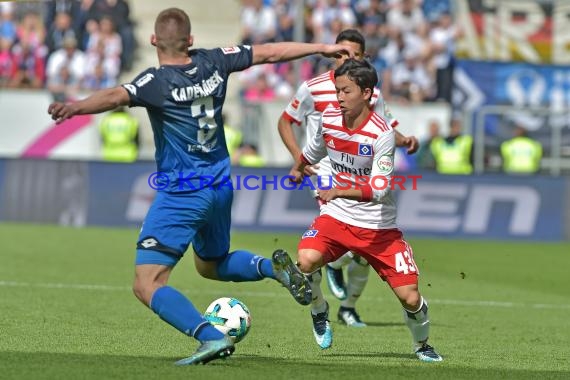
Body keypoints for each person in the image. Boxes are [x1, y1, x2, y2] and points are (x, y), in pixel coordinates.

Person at [48, 7, 359, 366]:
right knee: (211, 265)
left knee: (147, 282)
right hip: (220, 186)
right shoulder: (214, 61)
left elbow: (116, 96)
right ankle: (271, 269)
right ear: (191, 41)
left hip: (183, 192)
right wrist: (320, 46)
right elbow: (269, 52)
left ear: (153, 41)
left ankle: (210, 337)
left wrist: (74, 107)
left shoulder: (155, 82)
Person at [288, 58, 443, 362]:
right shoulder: (329, 118)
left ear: (367, 93)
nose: (338, 97)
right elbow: (313, 151)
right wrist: (298, 168)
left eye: (345, 91)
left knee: (410, 297)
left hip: (379, 228)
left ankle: (422, 345)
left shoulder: (382, 134)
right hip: (336, 216)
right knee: (305, 260)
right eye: (336, 90)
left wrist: (338, 189)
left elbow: (380, 187)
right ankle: (320, 310)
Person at [277, 29, 419, 347]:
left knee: (359, 257)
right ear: (333, 54)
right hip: (327, 174)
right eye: (343, 54)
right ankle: (321, 297)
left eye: (355, 55)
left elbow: (385, 130)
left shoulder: (372, 95)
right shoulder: (313, 89)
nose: (348, 60)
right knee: (311, 256)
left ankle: (345, 297)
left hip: (365, 188)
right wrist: (298, 164)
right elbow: (286, 121)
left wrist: (405, 139)